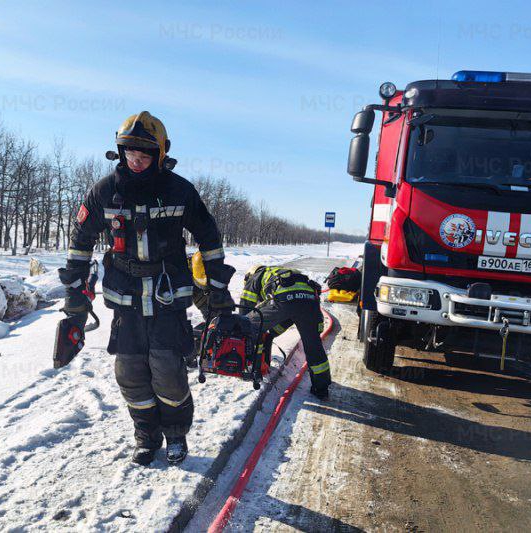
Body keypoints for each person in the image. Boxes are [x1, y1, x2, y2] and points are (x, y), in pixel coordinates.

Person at [59, 111, 235, 466]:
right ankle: (146, 436)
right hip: (125, 298)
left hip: (168, 296)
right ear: (119, 151)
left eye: (144, 155)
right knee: (130, 373)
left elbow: (209, 238)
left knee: (168, 371)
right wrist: (75, 293)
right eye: (130, 154)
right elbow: (81, 240)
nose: (136, 162)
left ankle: (175, 435)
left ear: (159, 155)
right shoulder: (104, 192)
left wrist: (217, 287)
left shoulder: (180, 190)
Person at [239, 265, 332, 399]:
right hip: (310, 303)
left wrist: (243, 327)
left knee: (250, 325)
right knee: (314, 346)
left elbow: (245, 309)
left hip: (285, 299)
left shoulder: (255, 277)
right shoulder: (281, 273)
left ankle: (255, 369)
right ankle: (321, 389)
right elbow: (290, 316)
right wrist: (271, 333)